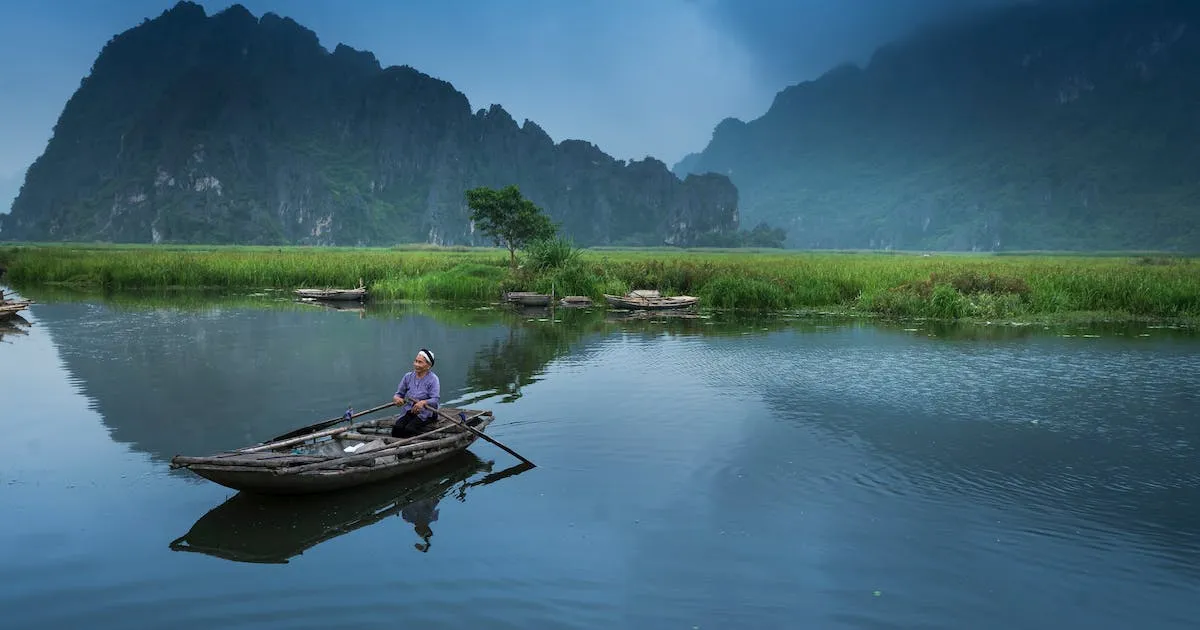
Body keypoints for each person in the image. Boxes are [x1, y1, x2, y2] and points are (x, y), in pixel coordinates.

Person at [391, 348, 440, 438]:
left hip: (427, 413)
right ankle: (397, 447)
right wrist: (397, 399)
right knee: (397, 427)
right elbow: (398, 394)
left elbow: (435, 399)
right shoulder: (408, 377)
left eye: (420, 362)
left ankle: (416, 446)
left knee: (410, 429)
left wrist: (423, 402)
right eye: (416, 361)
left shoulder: (433, 379)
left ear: (428, 365)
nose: (416, 364)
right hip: (411, 411)